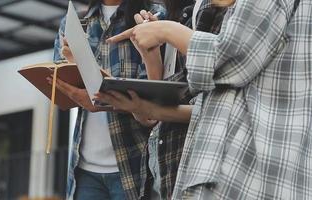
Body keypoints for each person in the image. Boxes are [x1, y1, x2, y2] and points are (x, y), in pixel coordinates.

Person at [101, 0, 312, 199]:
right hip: (246, 168)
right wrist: (148, 107)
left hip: (242, 170)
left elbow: (228, 61)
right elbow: (220, 97)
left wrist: (167, 31)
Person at [95, 0, 228, 199]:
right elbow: (151, 119)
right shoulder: (166, 19)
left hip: (195, 167)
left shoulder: (208, 16)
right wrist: (150, 56)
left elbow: (218, 107)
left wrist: (148, 109)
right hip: (158, 168)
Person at [52, 0, 165, 199]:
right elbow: (61, 89)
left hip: (135, 163)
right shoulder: (75, 21)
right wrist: (72, 66)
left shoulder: (152, 16)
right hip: (84, 169)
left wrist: (102, 101)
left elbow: (154, 93)